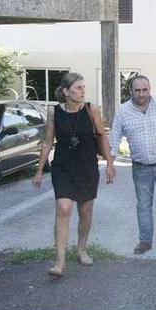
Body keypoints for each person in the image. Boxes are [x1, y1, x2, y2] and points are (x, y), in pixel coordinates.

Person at [33, 72, 116, 278]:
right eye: (78, 88)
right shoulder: (54, 112)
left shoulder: (91, 110)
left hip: (87, 166)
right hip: (63, 167)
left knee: (85, 211)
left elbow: (102, 136)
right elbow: (47, 142)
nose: (82, 91)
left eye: (83, 88)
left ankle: (81, 249)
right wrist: (39, 170)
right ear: (66, 91)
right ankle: (59, 263)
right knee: (63, 208)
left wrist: (110, 163)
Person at [108, 75, 156, 256]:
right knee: (143, 205)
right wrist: (110, 165)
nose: (141, 94)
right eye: (137, 90)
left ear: (149, 89)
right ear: (131, 92)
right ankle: (145, 241)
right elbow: (114, 140)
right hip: (141, 167)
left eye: (145, 90)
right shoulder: (122, 112)